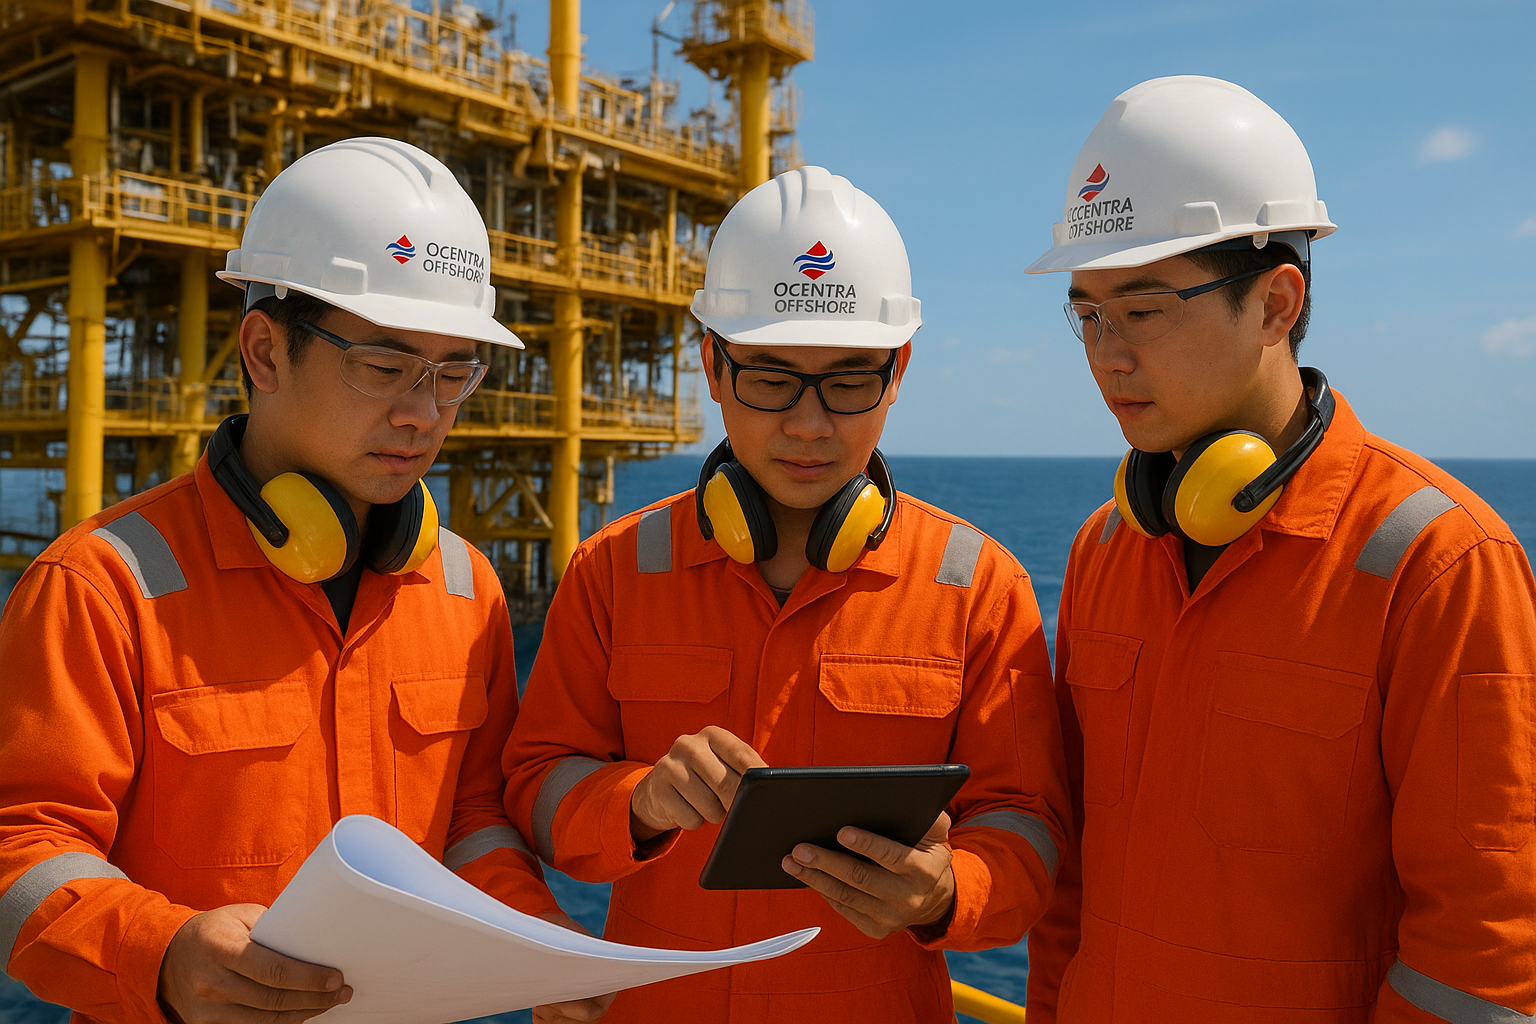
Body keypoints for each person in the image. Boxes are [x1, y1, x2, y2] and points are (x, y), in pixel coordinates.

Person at [0, 137, 609, 1024]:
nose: (421, 413)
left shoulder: (461, 586)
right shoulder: (103, 586)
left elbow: (472, 820)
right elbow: (24, 849)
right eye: (384, 365)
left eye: (452, 374)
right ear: (265, 350)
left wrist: (537, 938)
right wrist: (163, 955)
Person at [501, 164, 1070, 1023]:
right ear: (712, 365)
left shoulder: (976, 585)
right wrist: (640, 803)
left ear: (899, 369)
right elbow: (537, 788)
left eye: (848, 381)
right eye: (770, 378)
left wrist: (946, 890)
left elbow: (1029, 829)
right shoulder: (614, 569)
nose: (808, 426)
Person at [1022, 75, 1536, 1023]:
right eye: (1086, 313)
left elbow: (1483, 949)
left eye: (1142, 309)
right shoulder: (1108, 546)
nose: (1106, 353)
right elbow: (1071, 895)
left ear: (1274, 304)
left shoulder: (1439, 563)